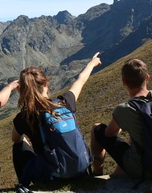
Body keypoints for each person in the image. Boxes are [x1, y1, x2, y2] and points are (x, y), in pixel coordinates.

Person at [90, 41, 152, 179]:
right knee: (137, 138)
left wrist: (121, 126)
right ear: (147, 78)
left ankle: (97, 174)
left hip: (146, 171)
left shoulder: (124, 109)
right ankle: (116, 173)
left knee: (97, 129)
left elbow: (108, 134)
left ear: (123, 82)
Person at [12, 53, 102, 185]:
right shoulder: (64, 103)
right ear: (46, 83)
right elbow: (80, 80)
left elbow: (15, 139)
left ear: (22, 90)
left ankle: (25, 186)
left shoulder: (24, 117)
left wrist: (26, 138)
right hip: (80, 172)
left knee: (18, 147)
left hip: (52, 178)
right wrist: (92, 63)